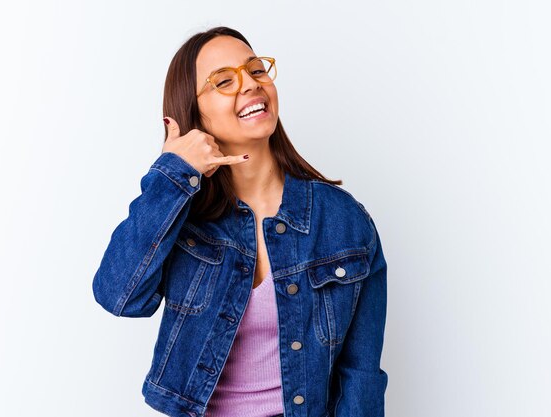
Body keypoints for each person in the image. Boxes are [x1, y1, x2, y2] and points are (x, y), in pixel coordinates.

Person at [92, 26, 388, 417]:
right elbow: (120, 297)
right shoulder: (182, 216)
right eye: (224, 81)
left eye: (256, 70)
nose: (250, 84)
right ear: (194, 113)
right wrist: (174, 173)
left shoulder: (343, 221)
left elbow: (361, 374)